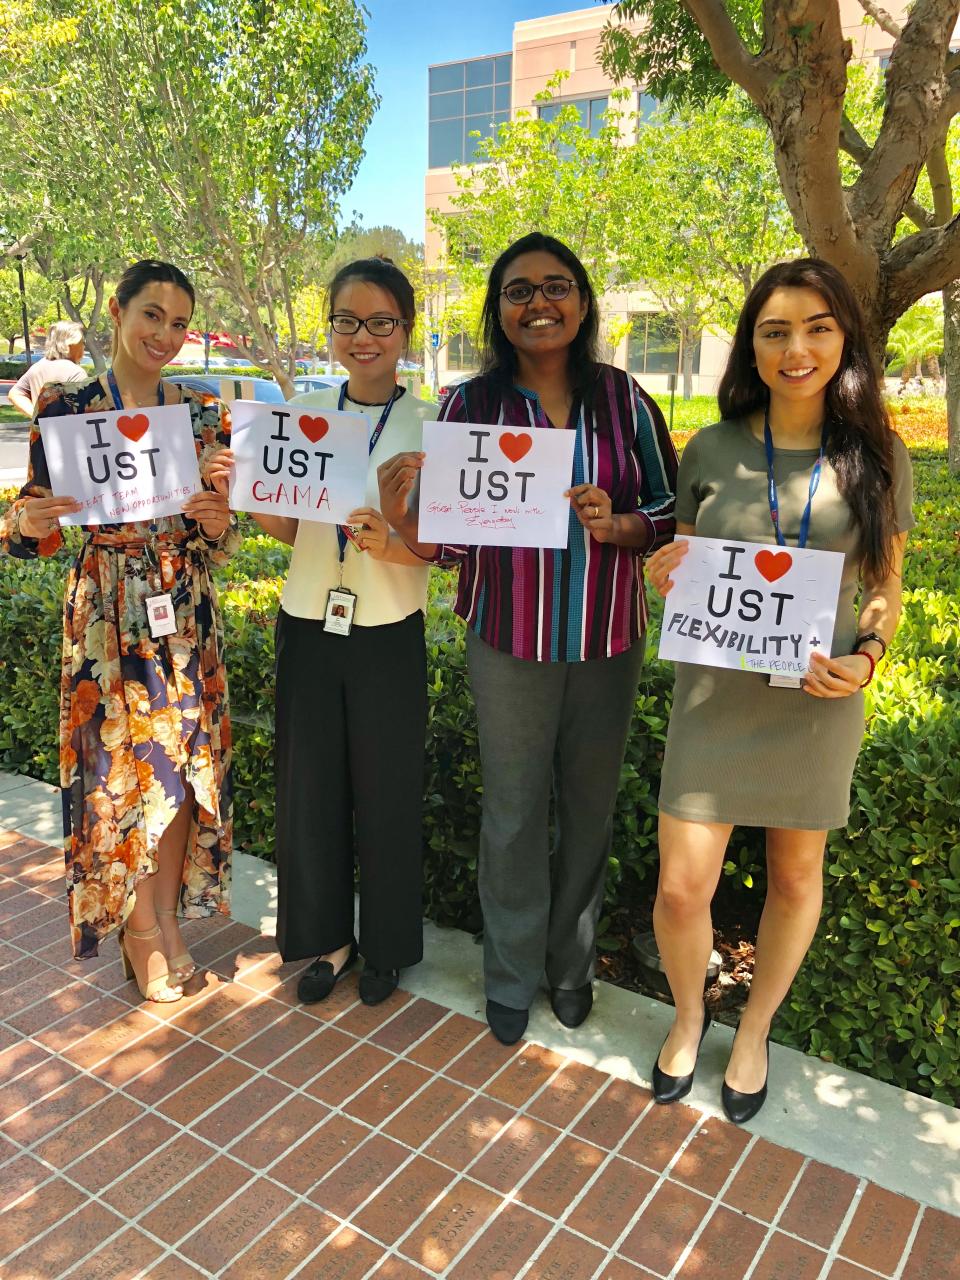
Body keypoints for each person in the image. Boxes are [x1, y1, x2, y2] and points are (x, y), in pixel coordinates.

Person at [378, 232, 678, 1044]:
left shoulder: (627, 401)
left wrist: (620, 525)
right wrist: (405, 508)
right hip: (507, 640)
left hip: (606, 641)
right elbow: (448, 542)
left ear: (582, 302)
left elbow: (669, 511)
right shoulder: (468, 408)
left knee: (588, 810)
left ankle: (569, 968)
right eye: (518, 291)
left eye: (556, 287)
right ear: (498, 310)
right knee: (512, 815)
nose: (538, 303)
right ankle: (510, 976)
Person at [645, 258, 914, 1123]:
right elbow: (688, 559)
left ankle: (755, 1030)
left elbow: (886, 586)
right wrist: (665, 575)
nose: (796, 348)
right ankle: (690, 1016)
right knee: (684, 888)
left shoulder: (880, 456)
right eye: (775, 330)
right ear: (751, 346)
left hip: (816, 699)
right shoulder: (714, 447)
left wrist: (868, 655)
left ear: (845, 340)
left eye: (817, 327)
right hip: (716, 700)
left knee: (797, 880)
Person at [0, 259, 238, 1003]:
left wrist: (217, 519)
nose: (164, 334)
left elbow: (220, 541)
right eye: (152, 315)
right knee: (119, 780)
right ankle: (140, 933)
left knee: (182, 777)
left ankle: (168, 920)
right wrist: (28, 520)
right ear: (116, 309)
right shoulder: (69, 409)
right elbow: (29, 530)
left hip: (184, 614)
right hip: (105, 615)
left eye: (178, 322)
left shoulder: (202, 411)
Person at [210, 256, 437, 1006]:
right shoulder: (303, 409)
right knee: (311, 788)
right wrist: (243, 490)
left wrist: (392, 541)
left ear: (406, 328)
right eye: (347, 321)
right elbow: (286, 527)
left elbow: (449, 548)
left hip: (388, 628)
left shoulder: (433, 422)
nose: (362, 336)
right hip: (308, 618)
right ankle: (329, 939)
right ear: (331, 328)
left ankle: (389, 945)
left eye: (380, 321)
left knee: (389, 791)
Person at [8, 321, 87, 417]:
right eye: (82, 342)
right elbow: (83, 412)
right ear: (70, 344)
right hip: (67, 430)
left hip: (42, 431)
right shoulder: (75, 372)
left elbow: (15, 394)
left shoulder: (37, 367)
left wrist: (36, 417)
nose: (84, 346)